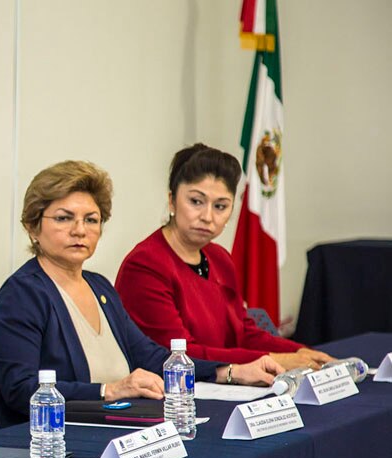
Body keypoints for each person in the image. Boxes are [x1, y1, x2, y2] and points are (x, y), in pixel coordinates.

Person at [0, 160, 282, 426]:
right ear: (32, 227)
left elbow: (150, 357)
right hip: (54, 441)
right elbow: (20, 391)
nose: (79, 230)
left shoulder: (99, 287)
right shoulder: (22, 296)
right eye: (63, 218)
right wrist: (108, 391)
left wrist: (230, 372)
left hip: (116, 430)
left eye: (91, 219)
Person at [115, 143, 335, 370]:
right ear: (172, 200)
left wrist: (298, 351)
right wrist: (272, 359)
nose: (208, 216)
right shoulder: (145, 265)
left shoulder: (219, 258)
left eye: (220, 206)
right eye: (196, 202)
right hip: (171, 396)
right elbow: (179, 356)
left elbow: (243, 332)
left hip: (227, 385)